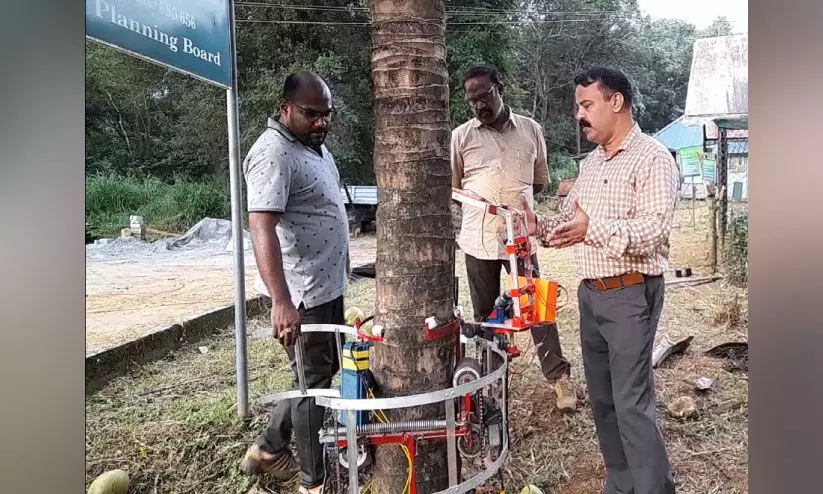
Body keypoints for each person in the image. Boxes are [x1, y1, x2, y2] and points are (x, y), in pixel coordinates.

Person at [522, 66, 679, 494]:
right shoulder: (590, 164)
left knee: (631, 403)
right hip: (591, 295)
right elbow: (572, 222)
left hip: (631, 292)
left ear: (617, 102)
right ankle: (622, 483)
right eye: (578, 106)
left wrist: (590, 229)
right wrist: (540, 226)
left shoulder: (653, 158)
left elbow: (653, 232)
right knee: (605, 401)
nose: (579, 114)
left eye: (587, 105)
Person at [240, 71, 349, 494]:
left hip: (328, 285)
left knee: (318, 374)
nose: (321, 122)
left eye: (326, 115)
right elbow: (261, 227)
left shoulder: (311, 145)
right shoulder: (273, 154)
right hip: (303, 294)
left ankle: (268, 449)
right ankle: (312, 483)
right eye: (310, 114)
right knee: (312, 387)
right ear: (285, 108)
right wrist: (281, 301)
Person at [450, 63, 577, 412]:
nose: (479, 105)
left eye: (485, 96)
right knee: (487, 316)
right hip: (478, 242)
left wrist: (514, 202)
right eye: (472, 100)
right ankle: (493, 384)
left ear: (499, 89)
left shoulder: (531, 130)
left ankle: (559, 379)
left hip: (520, 240)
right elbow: (456, 186)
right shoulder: (461, 137)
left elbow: (539, 180)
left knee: (537, 307)